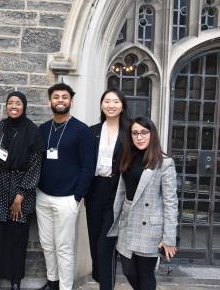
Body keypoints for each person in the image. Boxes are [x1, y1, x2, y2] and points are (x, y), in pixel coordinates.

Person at [36, 83, 95, 290]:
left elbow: (88, 167)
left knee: (64, 247)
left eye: (64, 97)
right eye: (56, 97)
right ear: (49, 101)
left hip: (68, 199)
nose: (60, 100)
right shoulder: (43, 129)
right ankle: (52, 282)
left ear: (71, 101)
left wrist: (77, 196)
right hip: (43, 196)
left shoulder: (82, 131)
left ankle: (65, 287)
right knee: (47, 245)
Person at [108, 116, 178, 290]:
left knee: (145, 275)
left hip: (150, 227)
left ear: (152, 134)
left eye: (144, 133)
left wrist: (169, 238)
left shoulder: (164, 163)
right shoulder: (128, 158)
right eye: (135, 133)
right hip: (128, 222)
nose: (139, 137)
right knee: (128, 271)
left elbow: (171, 202)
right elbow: (122, 192)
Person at [0, 91, 44, 290]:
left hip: (22, 188)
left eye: (18, 103)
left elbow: (35, 166)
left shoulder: (33, 131)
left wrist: (20, 196)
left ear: (24, 106)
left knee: (17, 238)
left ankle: (15, 280)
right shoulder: (1, 127)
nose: (13, 106)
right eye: (10, 102)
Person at [85, 88, 130, 290]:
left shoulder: (129, 131)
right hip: (95, 191)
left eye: (116, 101)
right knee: (95, 243)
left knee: (106, 245)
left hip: (118, 190)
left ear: (122, 106)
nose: (111, 105)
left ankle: (106, 285)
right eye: (107, 101)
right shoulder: (92, 131)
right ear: (102, 105)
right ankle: (101, 277)